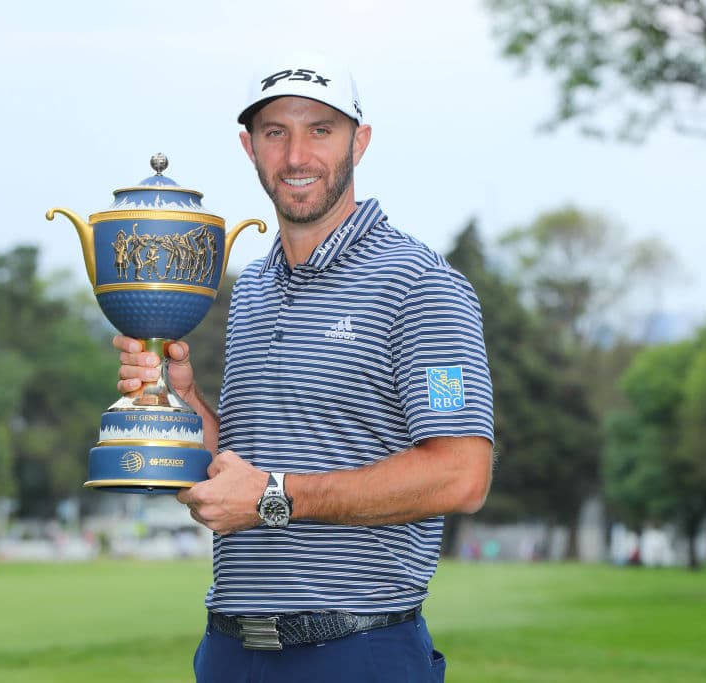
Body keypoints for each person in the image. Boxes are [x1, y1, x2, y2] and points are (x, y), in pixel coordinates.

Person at [113, 55, 495, 683]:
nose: (296, 155)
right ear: (249, 146)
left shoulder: (420, 286)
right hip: (230, 651)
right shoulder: (256, 287)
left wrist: (275, 497)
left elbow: (461, 474)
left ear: (360, 142)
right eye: (274, 132)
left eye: (321, 129)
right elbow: (234, 473)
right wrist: (177, 402)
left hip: (355, 653)